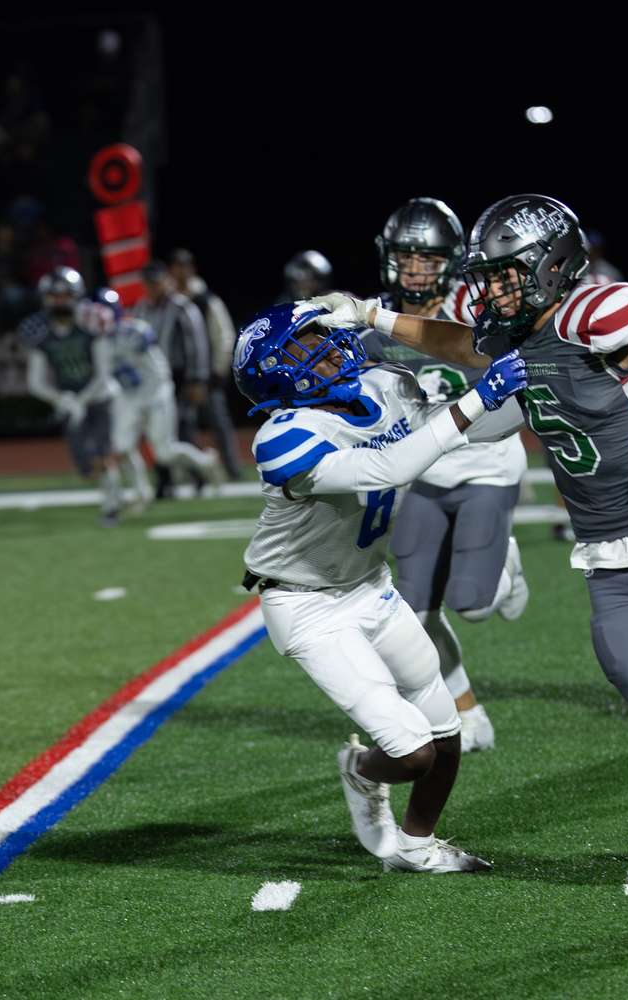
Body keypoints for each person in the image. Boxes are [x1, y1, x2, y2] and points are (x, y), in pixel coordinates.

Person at [304, 193, 628, 906]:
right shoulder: (514, 333)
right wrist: (371, 315)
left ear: (553, 267)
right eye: (487, 276)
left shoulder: (599, 315)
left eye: (505, 276)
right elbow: (458, 344)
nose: (491, 290)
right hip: (608, 564)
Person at [235, 301, 528, 872]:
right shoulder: (284, 436)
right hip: (306, 605)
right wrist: (475, 398)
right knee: (412, 752)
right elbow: (384, 469)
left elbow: (474, 432)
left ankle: (416, 847)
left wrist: (531, 396)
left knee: (447, 735)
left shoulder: (384, 384)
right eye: (307, 341)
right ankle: (360, 771)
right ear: (277, 372)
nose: (328, 343)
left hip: (371, 585)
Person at [357, 198, 529, 751]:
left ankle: (505, 555)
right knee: (410, 609)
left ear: (451, 262)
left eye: (427, 259)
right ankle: (465, 707)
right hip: (422, 472)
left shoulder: (479, 304)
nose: (414, 269)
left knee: (474, 605)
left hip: (484, 465)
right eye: (406, 257)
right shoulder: (369, 319)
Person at [87, 286, 221, 511]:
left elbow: (142, 344)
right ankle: (141, 492)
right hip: (128, 396)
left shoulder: (133, 330)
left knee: (165, 453)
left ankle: (206, 461)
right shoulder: (97, 341)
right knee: (120, 446)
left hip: (155, 390)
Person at [18, 267, 123, 526]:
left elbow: (103, 373)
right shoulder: (39, 331)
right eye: (55, 296)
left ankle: (111, 506)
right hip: (72, 402)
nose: (60, 301)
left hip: (99, 397)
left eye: (65, 296)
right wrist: (60, 399)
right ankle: (119, 485)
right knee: (85, 470)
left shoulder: (91, 322)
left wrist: (81, 400)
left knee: (100, 457)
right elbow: (35, 382)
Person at [133, 261, 222, 491]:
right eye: (148, 283)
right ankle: (165, 480)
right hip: (151, 378)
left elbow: (197, 345)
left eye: (156, 282)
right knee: (155, 429)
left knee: (182, 426)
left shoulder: (182, 307)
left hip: (180, 375)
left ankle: (198, 473)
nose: (152, 287)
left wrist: (197, 379)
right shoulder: (141, 309)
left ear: (166, 281)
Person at [169, 248, 244, 479]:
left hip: (207, 374)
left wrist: (216, 373)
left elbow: (223, 337)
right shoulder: (169, 302)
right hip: (179, 375)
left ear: (191, 270)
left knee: (218, 421)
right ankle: (195, 474)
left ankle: (232, 469)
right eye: (176, 266)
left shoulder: (206, 300)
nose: (180, 271)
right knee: (184, 425)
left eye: (184, 266)